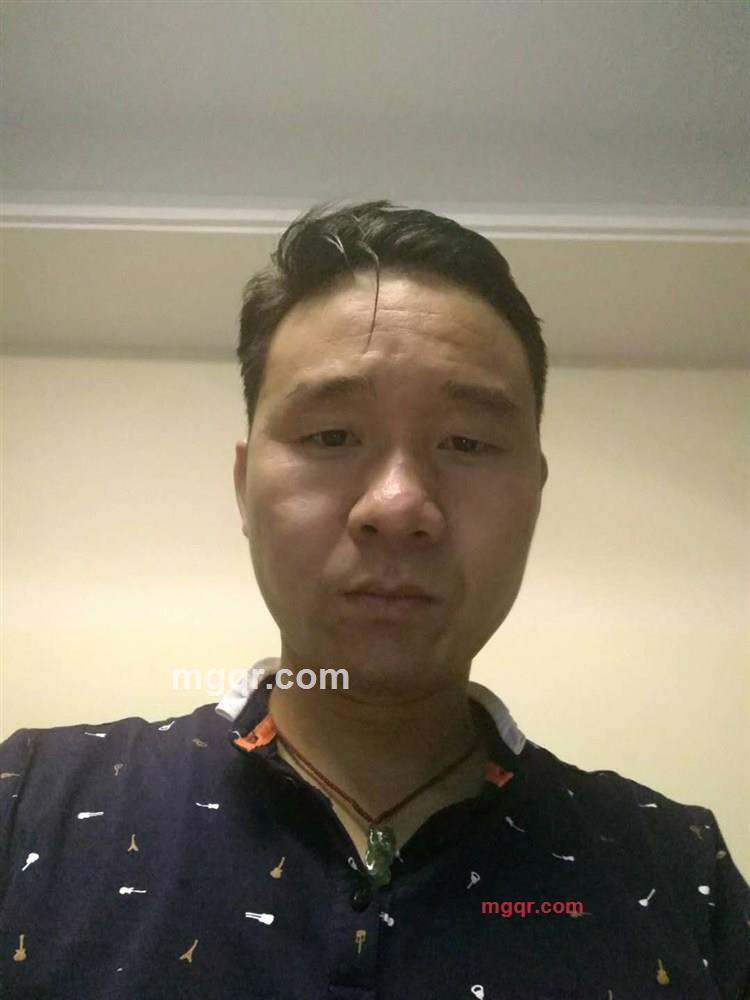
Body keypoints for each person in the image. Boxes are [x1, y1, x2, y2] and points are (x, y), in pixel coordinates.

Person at [1, 200, 747, 999]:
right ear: (244, 488)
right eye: (331, 436)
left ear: (534, 494)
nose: (397, 506)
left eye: (467, 442)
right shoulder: (29, 802)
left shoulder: (678, 871)